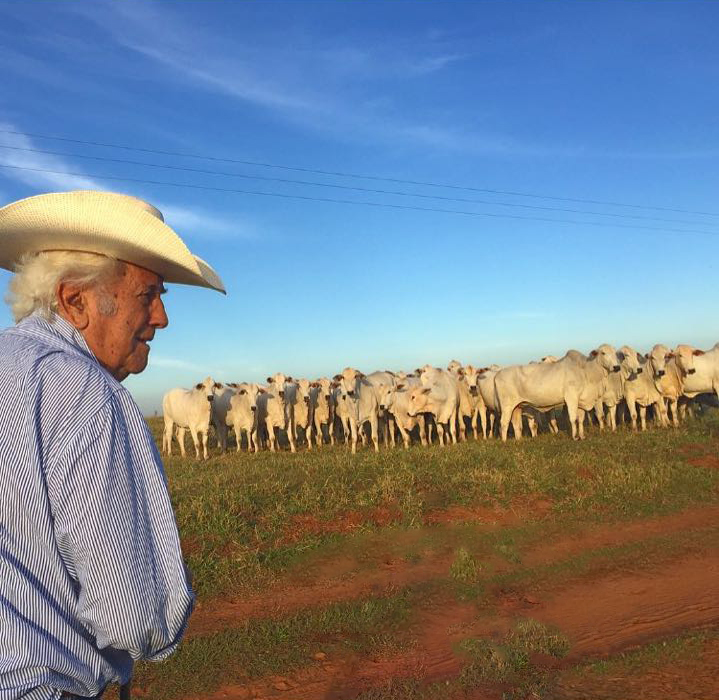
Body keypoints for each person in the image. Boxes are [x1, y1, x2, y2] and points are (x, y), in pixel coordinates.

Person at [0, 190, 226, 699]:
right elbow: (133, 617)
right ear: (74, 300)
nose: (163, 317)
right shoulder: (88, 394)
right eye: (147, 295)